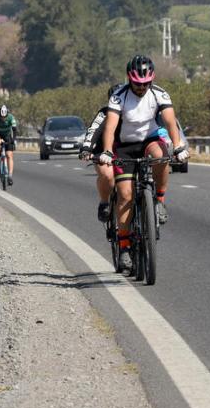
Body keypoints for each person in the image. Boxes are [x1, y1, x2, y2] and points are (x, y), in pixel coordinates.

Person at [99, 55, 190, 263]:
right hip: (124, 146)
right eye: (137, 84)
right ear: (129, 79)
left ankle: (159, 200)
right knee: (125, 195)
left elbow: (169, 121)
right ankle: (124, 247)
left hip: (149, 139)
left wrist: (178, 146)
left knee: (161, 156)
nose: (141, 88)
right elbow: (111, 126)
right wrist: (106, 150)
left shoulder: (159, 94)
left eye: (146, 84)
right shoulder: (118, 96)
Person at [81, 84, 126, 222]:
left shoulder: (136, 112)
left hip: (126, 151)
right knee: (108, 175)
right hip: (103, 151)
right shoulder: (104, 113)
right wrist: (86, 148)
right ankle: (104, 202)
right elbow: (93, 129)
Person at [0, 104, 17, 185]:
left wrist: (13, 140)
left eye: (4, 117)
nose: (3, 118)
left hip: (7, 135)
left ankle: (10, 176)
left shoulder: (11, 117)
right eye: (1, 117)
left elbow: (14, 130)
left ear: (7, 114)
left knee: (9, 155)